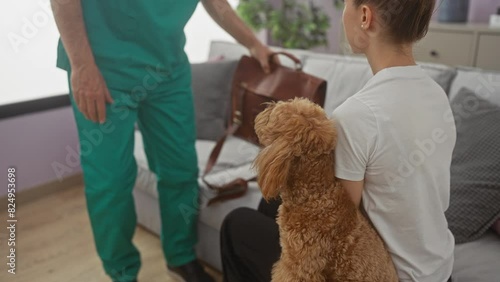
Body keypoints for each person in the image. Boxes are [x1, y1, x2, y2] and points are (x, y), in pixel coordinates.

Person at [220, 0, 456, 281]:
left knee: (235, 225)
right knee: (268, 204)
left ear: (365, 16)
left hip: (387, 273)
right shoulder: (437, 94)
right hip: (440, 269)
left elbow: (336, 223)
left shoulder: (357, 114)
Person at [50, 1, 274, 281]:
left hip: (166, 70)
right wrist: (82, 66)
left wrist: (254, 45)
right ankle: (122, 274)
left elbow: (216, 3)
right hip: (103, 67)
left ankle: (181, 258)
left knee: (181, 169)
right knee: (111, 181)